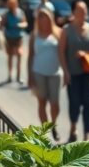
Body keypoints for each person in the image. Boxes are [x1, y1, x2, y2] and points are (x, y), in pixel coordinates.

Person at [59, 0, 89, 142]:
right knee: (75, 102)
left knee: (88, 102)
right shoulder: (66, 30)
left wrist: (86, 53)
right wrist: (65, 71)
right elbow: (61, 52)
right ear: (73, 12)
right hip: (73, 73)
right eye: (79, 10)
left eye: (84, 10)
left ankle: (87, 134)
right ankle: (73, 126)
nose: (82, 13)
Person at [27, 7, 63, 141]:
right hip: (38, 72)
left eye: (46, 17)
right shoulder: (34, 35)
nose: (43, 20)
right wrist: (29, 75)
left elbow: (63, 53)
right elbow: (30, 56)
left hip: (55, 73)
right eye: (40, 17)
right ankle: (45, 131)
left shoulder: (58, 33)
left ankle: (53, 124)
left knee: (55, 104)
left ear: (50, 19)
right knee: (42, 102)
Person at [1, 0, 27, 83]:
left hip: (19, 36)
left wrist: (20, 25)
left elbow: (25, 23)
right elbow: (1, 25)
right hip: (9, 37)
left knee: (19, 55)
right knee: (10, 56)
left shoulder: (20, 12)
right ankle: (10, 75)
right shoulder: (6, 14)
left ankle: (18, 77)